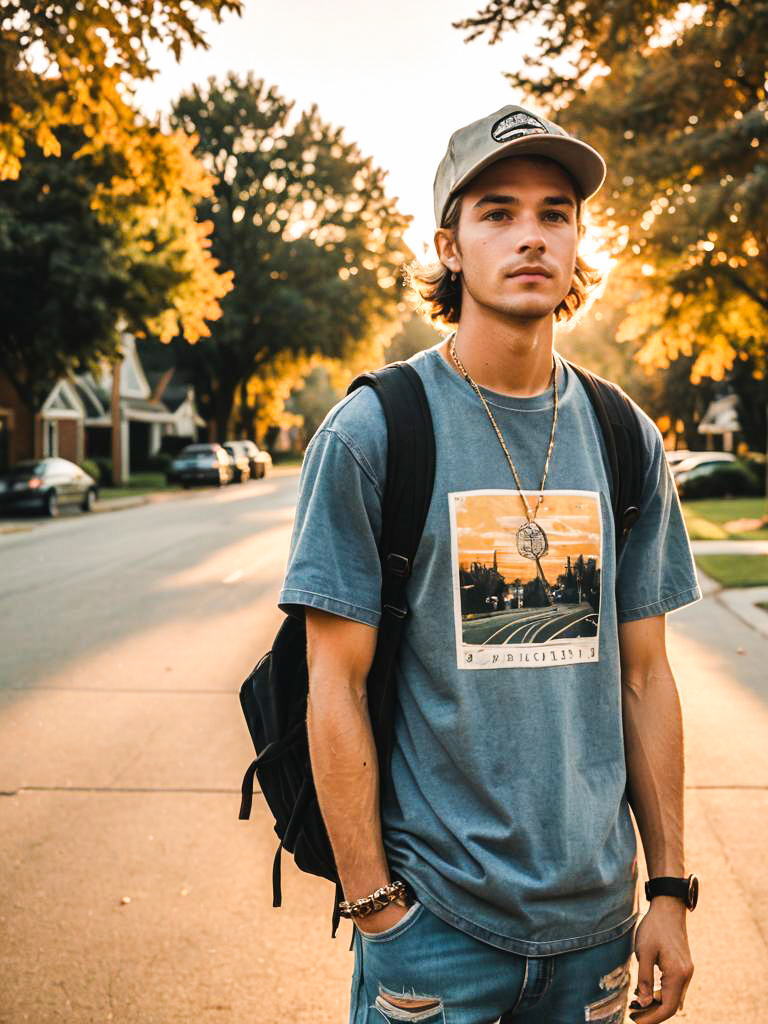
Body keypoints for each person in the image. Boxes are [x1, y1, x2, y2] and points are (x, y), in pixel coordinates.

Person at [278, 103, 702, 1024]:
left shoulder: (625, 436)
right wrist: (378, 909)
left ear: (580, 239)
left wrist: (668, 887)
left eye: (555, 212)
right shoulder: (374, 433)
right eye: (498, 211)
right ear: (449, 245)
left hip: (596, 928)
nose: (531, 236)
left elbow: (644, 677)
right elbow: (333, 689)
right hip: (434, 934)